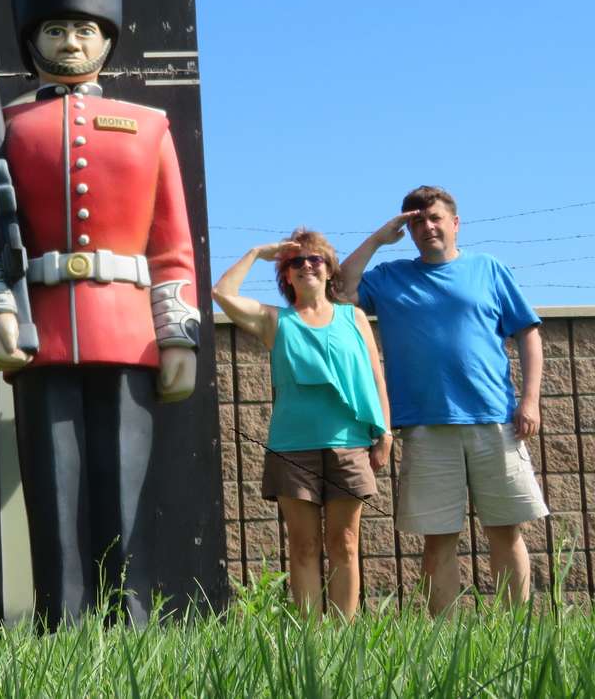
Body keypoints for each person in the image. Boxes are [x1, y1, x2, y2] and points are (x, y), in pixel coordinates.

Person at [0, 0, 200, 626]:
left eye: (86, 28)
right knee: (52, 492)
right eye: (58, 28)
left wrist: (178, 330)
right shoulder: (0, 126)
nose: (71, 42)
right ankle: (61, 622)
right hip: (43, 329)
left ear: (108, 37)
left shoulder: (150, 125)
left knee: (122, 491)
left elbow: (172, 245)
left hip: (128, 331)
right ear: (35, 36)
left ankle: (130, 621)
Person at [341, 186, 548, 614]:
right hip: (425, 427)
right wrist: (379, 239)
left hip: (494, 421)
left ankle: (517, 636)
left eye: (435, 217)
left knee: (505, 532)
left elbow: (528, 332)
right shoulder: (390, 277)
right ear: (409, 230)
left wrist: (530, 401)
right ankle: (444, 643)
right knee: (437, 541)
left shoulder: (488, 269)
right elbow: (339, 292)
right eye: (417, 221)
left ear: (455, 223)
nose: (427, 226)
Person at [212, 229, 391, 618]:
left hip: (349, 443)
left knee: (344, 543)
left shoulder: (353, 316)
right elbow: (222, 294)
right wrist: (258, 252)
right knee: (304, 545)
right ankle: (310, 640)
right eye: (297, 261)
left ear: (329, 271)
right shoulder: (275, 321)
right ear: (287, 276)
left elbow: (376, 376)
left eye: (316, 259)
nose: (307, 265)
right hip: (292, 448)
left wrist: (385, 431)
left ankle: (344, 638)